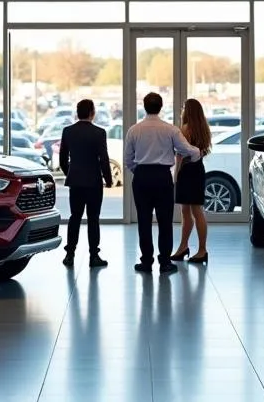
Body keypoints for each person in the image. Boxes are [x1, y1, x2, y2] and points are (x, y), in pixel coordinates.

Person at [125, 92, 202, 275]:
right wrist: (197, 152)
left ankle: (146, 262)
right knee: (165, 221)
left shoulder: (134, 130)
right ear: (160, 107)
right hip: (162, 178)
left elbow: (128, 159)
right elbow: (186, 149)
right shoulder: (170, 129)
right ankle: (165, 262)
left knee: (143, 221)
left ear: (144, 107)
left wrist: (139, 170)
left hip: (142, 177)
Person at [59, 98, 113, 268]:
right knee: (93, 218)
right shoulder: (99, 133)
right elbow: (103, 159)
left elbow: (62, 159)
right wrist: (108, 178)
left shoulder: (68, 131)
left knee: (75, 217)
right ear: (92, 113)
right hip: (93, 182)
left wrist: (71, 173)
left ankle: (70, 254)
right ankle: (93, 256)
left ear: (78, 113)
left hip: (75, 182)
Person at [172, 98, 213, 263]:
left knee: (188, 212)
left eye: (183, 108)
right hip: (198, 170)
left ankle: (190, 248)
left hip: (187, 171)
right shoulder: (203, 128)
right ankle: (191, 247)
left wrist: (176, 174)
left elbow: (180, 156)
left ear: (187, 111)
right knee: (196, 211)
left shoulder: (185, 129)